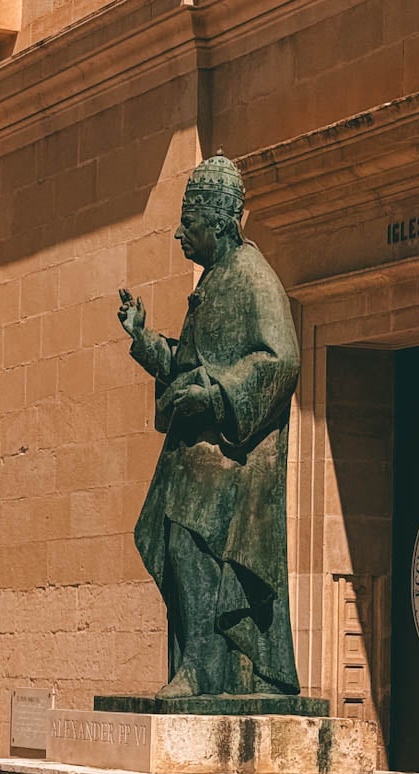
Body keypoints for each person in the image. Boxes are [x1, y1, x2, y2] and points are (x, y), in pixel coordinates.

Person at [117, 154, 301, 698]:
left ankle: (202, 668)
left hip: (230, 460)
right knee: (178, 548)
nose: (178, 234)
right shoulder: (216, 279)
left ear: (218, 224)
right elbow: (190, 361)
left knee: (188, 545)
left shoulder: (253, 279)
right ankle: (200, 666)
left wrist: (216, 398)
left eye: (188, 224)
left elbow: (281, 360)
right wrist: (145, 341)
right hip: (198, 457)